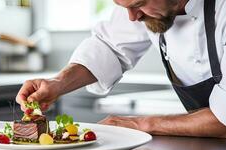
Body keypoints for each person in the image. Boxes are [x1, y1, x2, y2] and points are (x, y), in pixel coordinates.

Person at [16, 0, 226, 138]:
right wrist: (58, 83)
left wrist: (140, 125)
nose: (132, 17)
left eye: (138, 4)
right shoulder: (142, 7)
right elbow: (110, 47)